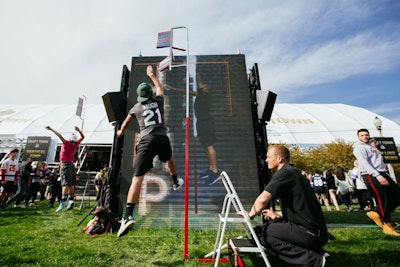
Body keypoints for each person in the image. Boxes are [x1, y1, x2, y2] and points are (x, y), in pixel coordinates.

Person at [116, 65, 184, 238]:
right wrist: (152, 75)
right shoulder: (159, 101)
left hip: (146, 140)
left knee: (137, 178)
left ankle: (127, 216)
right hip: (162, 138)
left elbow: (125, 123)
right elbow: (160, 88)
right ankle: (175, 181)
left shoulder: (137, 108)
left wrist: (120, 133)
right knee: (169, 158)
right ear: (151, 93)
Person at [239, 145, 328, 266]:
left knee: (257, 234)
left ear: (279, 159)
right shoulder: (292, 172)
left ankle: (313, 260)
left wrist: (249, 215)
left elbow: (263, 198)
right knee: (267, 229)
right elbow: (301, 207)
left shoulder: (285, 173)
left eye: (268, 157)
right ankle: (318, 252)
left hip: (309, 233)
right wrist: (279, 214)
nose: (266, 160)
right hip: (315, 231)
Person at [166, 70, 220, 185]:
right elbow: (199, 83)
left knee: (209, 145)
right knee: (206, 146)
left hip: (206, 123)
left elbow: (188, 91)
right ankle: (211, 169)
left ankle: (215, 171)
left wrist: (174, 89)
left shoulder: (204, 94)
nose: (202, 85)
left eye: (205, 85)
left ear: (208, 88)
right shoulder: (202, 91)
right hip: (201, 122)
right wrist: (198, 75)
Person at [353, 128, 400, 236]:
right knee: (383, 199)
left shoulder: (372, 146)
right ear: (358, 137)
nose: (365, 136)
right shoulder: (359, 148)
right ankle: (387, 224)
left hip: (382, 172)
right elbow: (364, 163)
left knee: (396, 195)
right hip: (371, 174)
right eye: (362, 135)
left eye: (366, 134)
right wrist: (377, 176)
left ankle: (377, 212)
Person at [45, 125, 85, 212]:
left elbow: (59, 135)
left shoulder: (66, 143)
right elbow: (83, 137)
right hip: (71, 165)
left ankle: (63, 202)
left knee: (65, 183)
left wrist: (51, 129)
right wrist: (79, 130)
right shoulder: (75, 145)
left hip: (65, 165)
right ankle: (71, 200)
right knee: (71, 183)